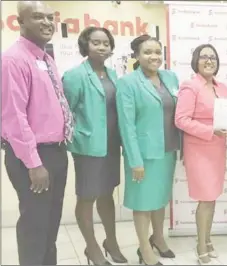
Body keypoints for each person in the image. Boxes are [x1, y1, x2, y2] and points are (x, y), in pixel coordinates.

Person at [1, 1, 73, 265]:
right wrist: (34, 163)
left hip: (55, 152)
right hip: (32, 159)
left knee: (51, 224)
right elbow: (13, 117)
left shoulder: (45, 59)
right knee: (35, 226)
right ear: (20, 22)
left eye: (49, 17)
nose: (46, 22)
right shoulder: (13, 59)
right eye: (37, 17)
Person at [62, 27, 126, 265]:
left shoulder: (113, 75)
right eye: (96, 42)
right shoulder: (75, 75)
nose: (102, 47)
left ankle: (112, 241)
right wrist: (79, 135)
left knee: (107, 194)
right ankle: (92, 248)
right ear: (85, 45)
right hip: (87, 147)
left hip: (111, 146)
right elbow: (65, 113)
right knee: (87, 196)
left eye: (106, 43)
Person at [116, 34, 181, 266]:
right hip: (143, 154)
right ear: (136, 55)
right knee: (143, 203)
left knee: (160, 199)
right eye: (147, 52)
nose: (154, 56)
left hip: (168, 149)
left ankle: (159, 238)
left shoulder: (170, 77)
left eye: (157, 52)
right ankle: (145, 249)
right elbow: (126, 124)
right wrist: (135, 160)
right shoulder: (127, 83)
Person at [175, 43, 227, 265]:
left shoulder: (222, 87)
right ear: (196, 60)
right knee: (205, 199)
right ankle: (200, 245)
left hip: (218, 149)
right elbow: (181, 120)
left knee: (212, 198)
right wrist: (210, 131)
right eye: (203, 56)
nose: (209, 60)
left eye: (212, 56)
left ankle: (208, 239)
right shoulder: (189, 86)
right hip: (199, 150)